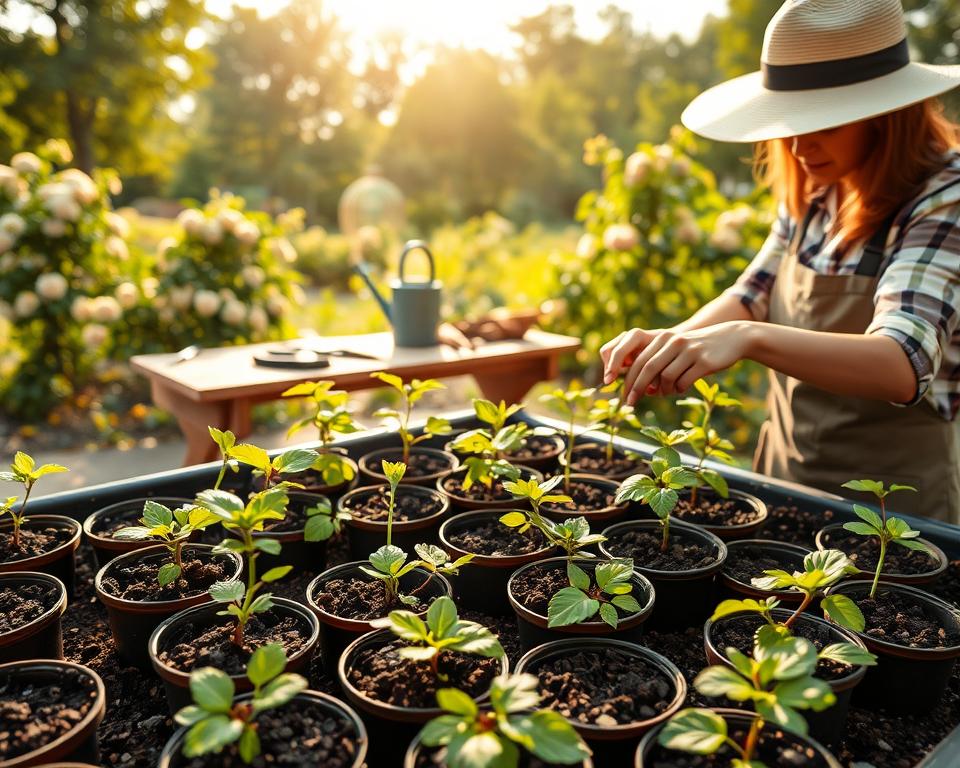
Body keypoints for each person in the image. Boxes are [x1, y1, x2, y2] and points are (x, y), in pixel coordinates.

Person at [599, 0, 960, 520]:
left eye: (824, 125)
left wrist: (750, 339)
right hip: (786, 485)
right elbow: (753, 295)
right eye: (789, 122)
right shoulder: (817, 187)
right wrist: (671, 342)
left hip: (892, 513)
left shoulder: (943, 197)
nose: (796, 147)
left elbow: (902, 363)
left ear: (885, 118)